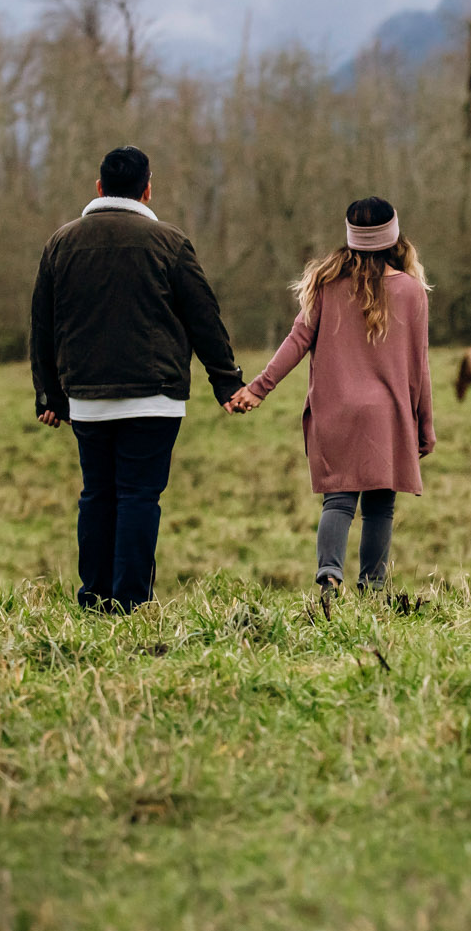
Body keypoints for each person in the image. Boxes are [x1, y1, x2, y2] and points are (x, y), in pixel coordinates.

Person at [30, 146, 245, 611]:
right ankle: (131, 601)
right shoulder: (170, 243)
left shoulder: (61, 244)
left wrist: (49, 394)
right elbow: (203, 317)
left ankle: (94, 596)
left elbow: (43, 324)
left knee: (97, 495)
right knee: (139, 497)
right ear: (148, 189)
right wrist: (226, 381)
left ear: (98, 187)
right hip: (155, 397)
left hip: (86, 396)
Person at [227, 197, 434, 598]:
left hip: (334, 412)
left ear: (351, 237)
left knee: (338, 501)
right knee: (379, 507)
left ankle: (329, 577)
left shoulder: (326, 284)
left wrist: (258, 388)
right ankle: (373, 588)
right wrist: (424, 425)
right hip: (388, 415)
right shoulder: (411, 291)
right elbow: (419, 365)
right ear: (393, 237)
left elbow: (296, 341)